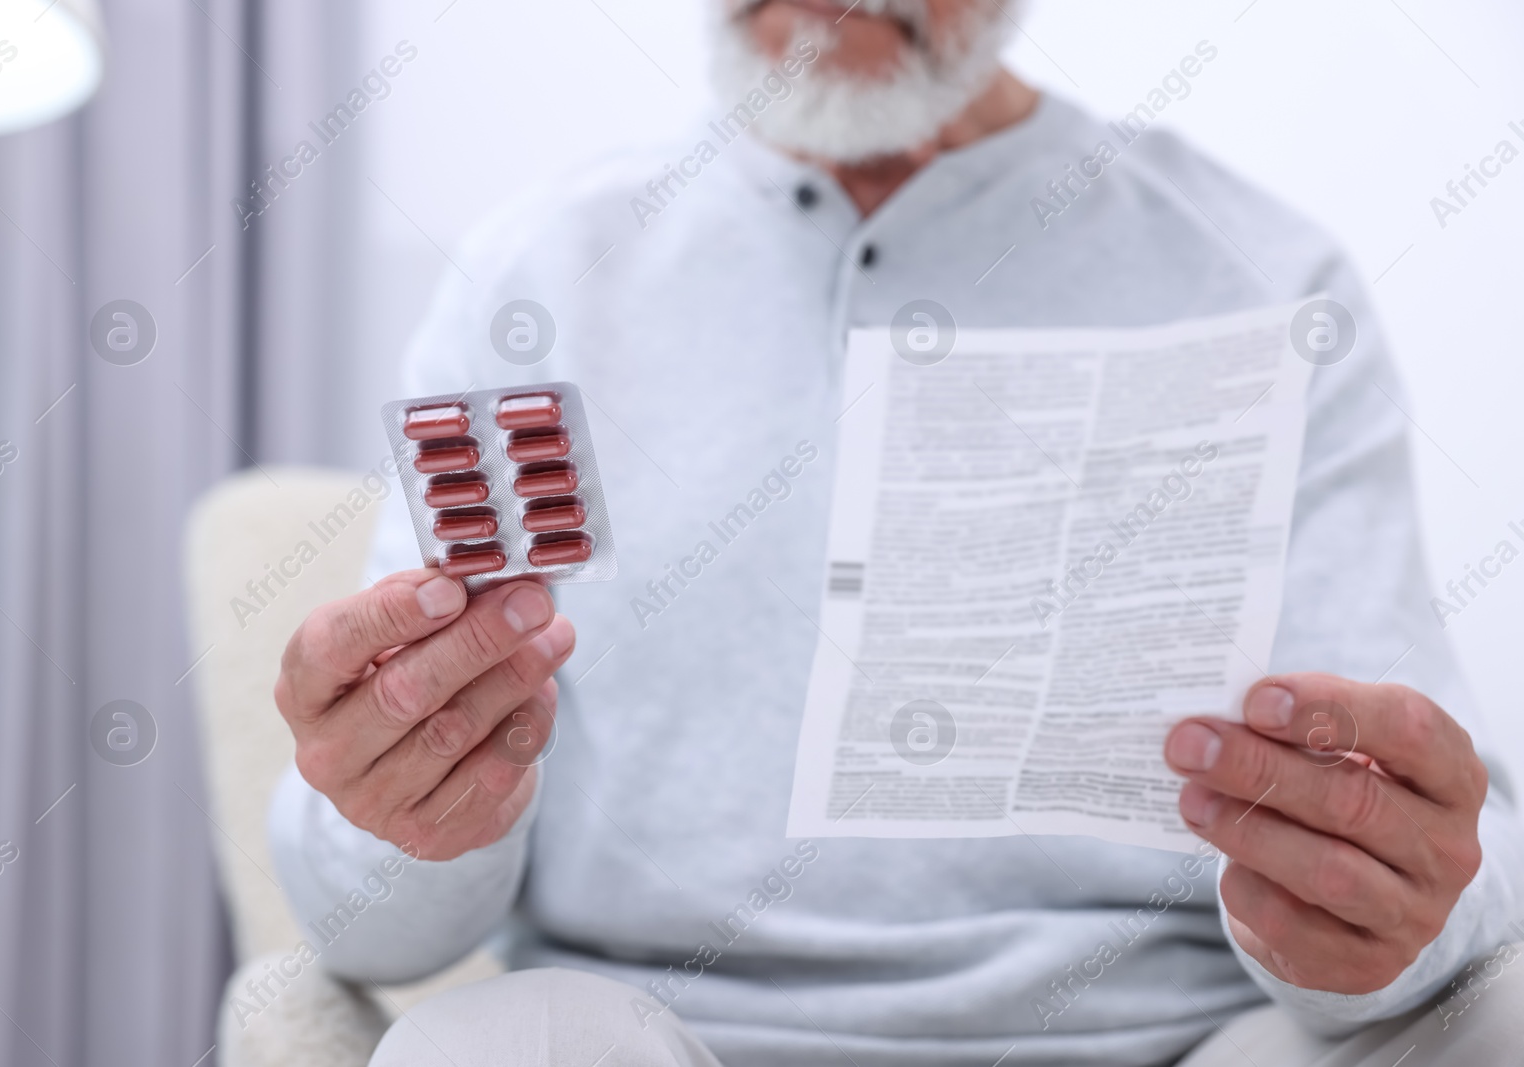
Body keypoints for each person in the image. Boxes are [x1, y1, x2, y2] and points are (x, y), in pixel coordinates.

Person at [267, 1, 1524, 1063]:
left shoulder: (1264, 275)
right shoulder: (537, 273)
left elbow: (1465, 857)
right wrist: (393, 815)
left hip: (1165, 1035)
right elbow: (379, 936)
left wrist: (1392, 904)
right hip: (656, 1028)